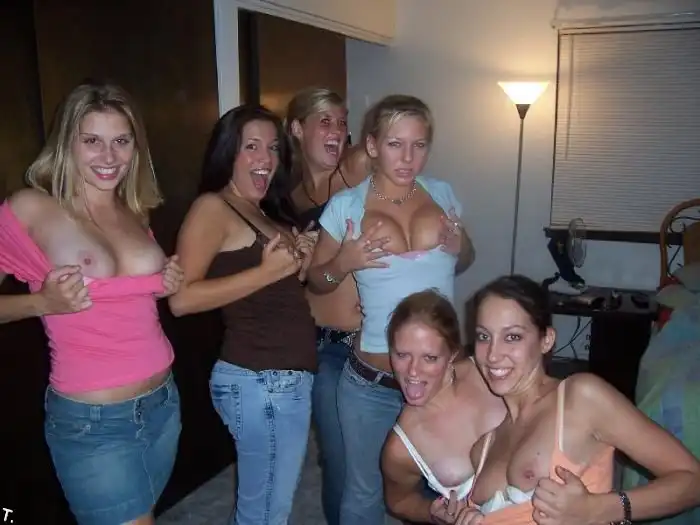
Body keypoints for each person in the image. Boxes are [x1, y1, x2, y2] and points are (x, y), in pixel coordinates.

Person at [0, 82, 183, 525]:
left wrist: (163, 284)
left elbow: (125, 295)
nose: (109, 156)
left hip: (163, 404)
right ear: (68, 142)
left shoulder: (133, 209)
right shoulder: (30, 208)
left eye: (121, 141)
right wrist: (42, 302)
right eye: (92, 141)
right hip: (94, 422)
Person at [307, 94, 476, 524]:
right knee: (363, 493)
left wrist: (461, 247)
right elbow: (317, 280)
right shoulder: (346, 206)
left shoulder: (443, 194)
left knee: (449, 488)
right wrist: (343, 263)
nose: (407, 157)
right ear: (372, 145)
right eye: (395, 144)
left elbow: (464, 260)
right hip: (372, 382)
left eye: (419, 145)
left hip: (441, 379)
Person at [168, 104, 317, 525]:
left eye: (272, 147)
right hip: (261, 380)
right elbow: (181, 299)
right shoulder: (213, 208)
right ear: (227, 154)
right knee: (265, 514)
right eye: (251, 146)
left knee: (268, 508)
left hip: (279, 379)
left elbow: (276, 293)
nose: (265, 158)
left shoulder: (263, 211)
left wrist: (299, 265)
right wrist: (267, 271)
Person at [451, 275, 700, 525]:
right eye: (484, 337)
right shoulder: (483, 448)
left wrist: (597, 509)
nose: (493, 355)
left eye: (512, 337)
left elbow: (693, 481)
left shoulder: (580, 398)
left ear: (546, 340)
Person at [285, 86, 370, 525]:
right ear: (298, 129)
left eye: (342, 121)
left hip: (372, 340)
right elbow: (309, 281)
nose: (337, 130)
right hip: (321, 344)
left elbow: (397, 153)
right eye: (324, 121)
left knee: (391, 451)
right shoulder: (290, 198)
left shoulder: (354, 169)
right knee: (338, 460)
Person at [381, 290, 507, 524]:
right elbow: (399, 502)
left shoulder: (492, 373)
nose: (413, 371)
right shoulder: (401, 447)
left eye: (429, 357)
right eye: (402, 355)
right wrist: (433, 512)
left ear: (452, 355)